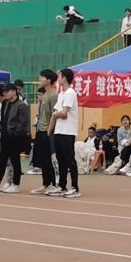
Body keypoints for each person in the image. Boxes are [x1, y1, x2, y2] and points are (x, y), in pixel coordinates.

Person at [0, 84, 30, 193]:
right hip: (5, 136)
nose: (5, 94)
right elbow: (3, 120)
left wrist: (15, 133)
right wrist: (3, 131)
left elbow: (24, 123)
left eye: (7, 91)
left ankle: (15, 184)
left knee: (15, 161)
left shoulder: (21, 105)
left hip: (15, 137)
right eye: (4, 92)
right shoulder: (6, 103)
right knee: (2, 160)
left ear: (13, 91)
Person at [51, 68, 81, 198]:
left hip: (68, 132)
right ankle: (62, 186)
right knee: (61, 160)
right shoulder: (61, 93)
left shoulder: (70, 93)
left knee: (69, 160)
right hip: (59, 130)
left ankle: (75, 187)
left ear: (64, 78)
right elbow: (57, 111)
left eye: (60, 76)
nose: (58, 78)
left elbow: (63, 113)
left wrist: (55, 115)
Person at [31, 69, 59, 195]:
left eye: (42, 77)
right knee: (43, 159)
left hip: (49, 131)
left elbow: (55, 115)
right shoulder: (45, 94)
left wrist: (49, 130)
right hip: (40, 130)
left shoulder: (53, 95)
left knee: (50, 159)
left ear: (48, 80)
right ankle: (45, 183)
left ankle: (54, 183)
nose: (40, 79)